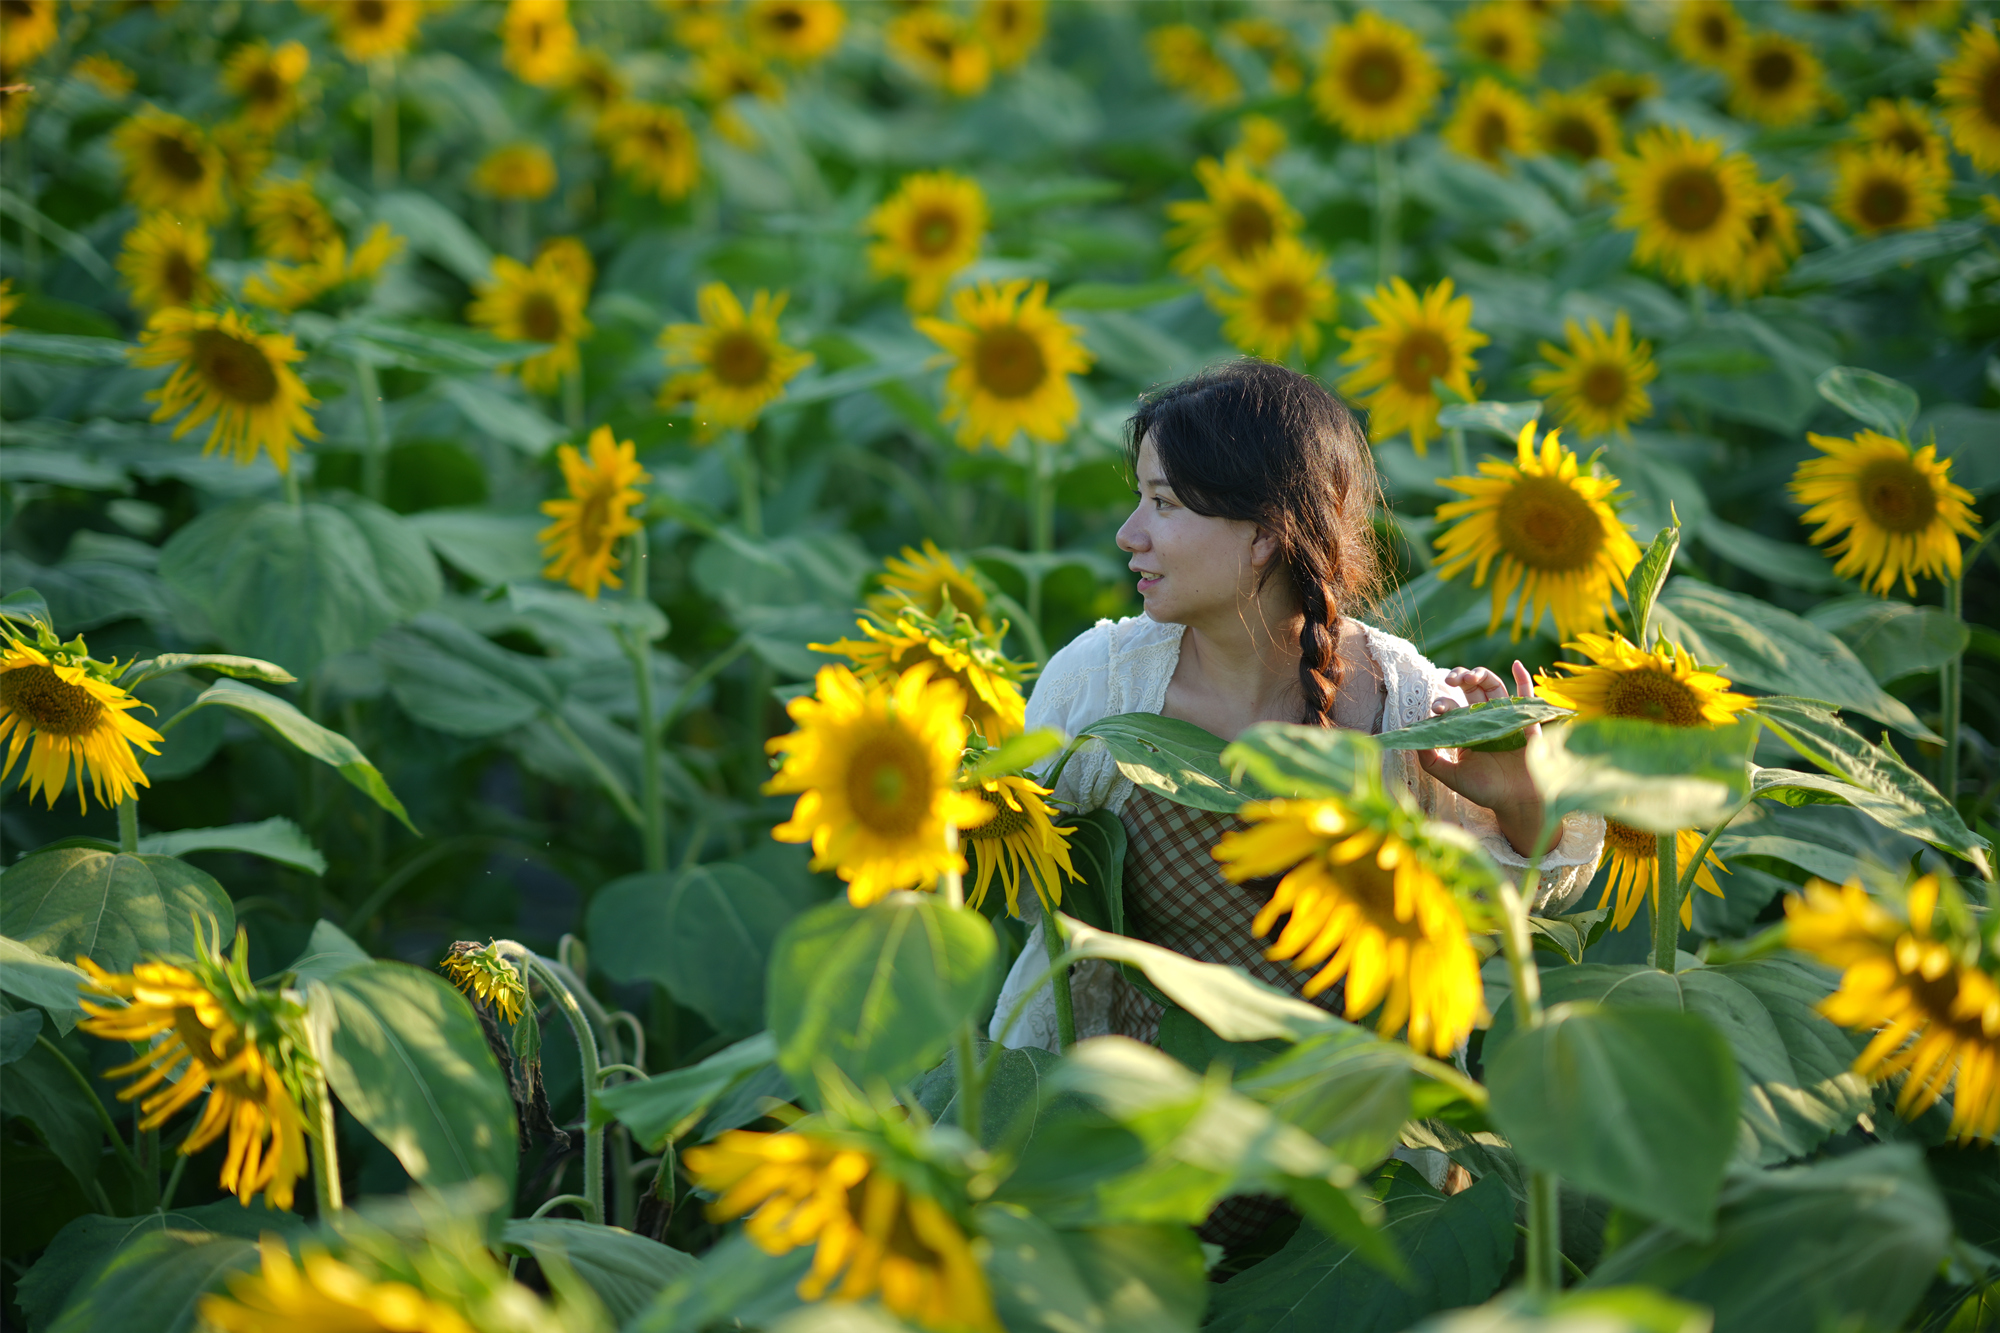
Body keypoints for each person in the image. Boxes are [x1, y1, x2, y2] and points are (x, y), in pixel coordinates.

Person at [990, 359, 1605, 1054]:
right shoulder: (1100, 687)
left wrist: (1520, 798)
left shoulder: (1402, 709)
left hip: (1352, 1134)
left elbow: (1523, 905)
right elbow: (1029, 893)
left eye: (1163, 504)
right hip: (1137, 1124)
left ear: (1263, 535)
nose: (1129, 534)